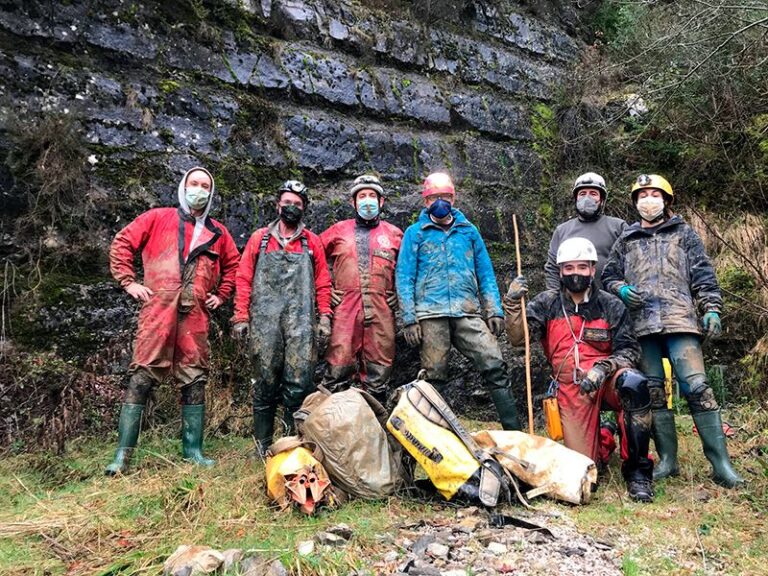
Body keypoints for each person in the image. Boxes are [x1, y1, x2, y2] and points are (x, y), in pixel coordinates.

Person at [602, 174, 744, 488]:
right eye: (642, 195)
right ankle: (668, 460)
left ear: (666, 200)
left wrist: (712, 308)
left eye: (654, 194)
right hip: (642, 326)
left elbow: (703, 274)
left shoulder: (684, 233)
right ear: (635, 202)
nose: (647, 200)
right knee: (653, 392)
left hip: (681, 320)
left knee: (696, 387)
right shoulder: (626, 238)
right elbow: (608, 275)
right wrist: (621, 288)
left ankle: (721, 464)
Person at [106, 166, 240, 475]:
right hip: (158, 309)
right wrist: (129, 282)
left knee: (194, 378)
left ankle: (192, 451)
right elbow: (123, 243)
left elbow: (233, 264)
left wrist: (221, 294)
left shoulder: (218, 232)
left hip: (195, 315)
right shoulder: (157, 218)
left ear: (211, 192)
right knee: (141, 376)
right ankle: (122, 456)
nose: (199, 189)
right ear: (183, 187)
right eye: (194, 183)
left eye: (205, 185)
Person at [504, 237, 654, 502]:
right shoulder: (546, 303)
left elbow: (629, 351)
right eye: (569, 268)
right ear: (560, 271)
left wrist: (603, 368)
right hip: (571, 388)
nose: (576, 274)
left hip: (607, 380)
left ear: (593, 270)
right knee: (583, 475)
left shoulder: (611, 305)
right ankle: (605, 435)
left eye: (582, 268)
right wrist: (513, 304)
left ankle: (638, 473)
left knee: (634, 384)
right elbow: (519, 340)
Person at [395, 172, 521, 430]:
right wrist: (409, 318)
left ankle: (515, 433)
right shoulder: (415, 233)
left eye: (445, 197)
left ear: (453, 198)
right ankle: (433, 440)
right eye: (433, 198)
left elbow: (485, 272)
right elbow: (404, 275)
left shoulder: (469, 231)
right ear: (425, 201)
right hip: (430, 314)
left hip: (467, 312)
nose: (440, 202)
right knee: (434, 376)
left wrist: (494, 310)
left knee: (494, 363)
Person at [231, 180, 332, 457]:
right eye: (287, 202)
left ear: (304, 209)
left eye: (297, 204)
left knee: (298, 382)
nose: (291, 207)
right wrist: (240, 316)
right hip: (265, 322)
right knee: (264, 381)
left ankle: (290, 444)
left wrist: (324, 317)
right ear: (278, 205)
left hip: (301, 323)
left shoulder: (312, 242)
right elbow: (243, 278)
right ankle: (261, 444)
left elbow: (323, 282)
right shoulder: (260, 239)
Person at [319, 175, 403, 404]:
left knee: (379, 368)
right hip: (345, 309)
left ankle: (374, 427)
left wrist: (399, 293)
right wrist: (326, 289)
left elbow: (407, 270)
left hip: (382, 310)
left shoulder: (395, 234)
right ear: (353, 202)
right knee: (339, 363)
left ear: (382, 201)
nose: (368, 201)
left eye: (372, 196)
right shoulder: (337, 231)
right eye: (362, 196)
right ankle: (333, 427)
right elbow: (312, 258)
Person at [544, 172, 627, 290]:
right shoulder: (562, 230)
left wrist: (623, 292)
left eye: (593, 194)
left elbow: (631, 264)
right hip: (571, 303)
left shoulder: (618, 227)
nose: (587, 198)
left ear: (602, 199)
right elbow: (552, 269)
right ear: (576, 198)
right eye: (582, 193)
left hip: (611, 303)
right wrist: (555, 298)